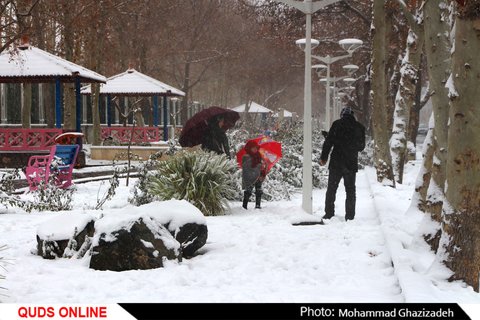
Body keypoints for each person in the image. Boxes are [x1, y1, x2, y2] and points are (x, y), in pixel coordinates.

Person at [320, 107, 365, 221]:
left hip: (336, 162)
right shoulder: (359, 127)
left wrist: (323, 158)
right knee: (350, 190)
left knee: (331, 189)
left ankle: (329, 213)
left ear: (342, 115)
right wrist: (351, 144)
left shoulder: (336, 124)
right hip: (350, 163)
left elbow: (329, 142)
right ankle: (350, 216)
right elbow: (361, 147)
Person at [241, 140, 267, 209]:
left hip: (258, 176)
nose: (255, 149)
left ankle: (258, 205)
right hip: (249, 176)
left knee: (259, 190)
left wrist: (262, 172)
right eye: (253, 148)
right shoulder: (246, 157)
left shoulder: (259, 156)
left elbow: (262, 166)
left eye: (256, 148)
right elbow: (246, 167)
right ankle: (244, 206)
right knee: (248, 190)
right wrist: (258, 166)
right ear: (249, 148)